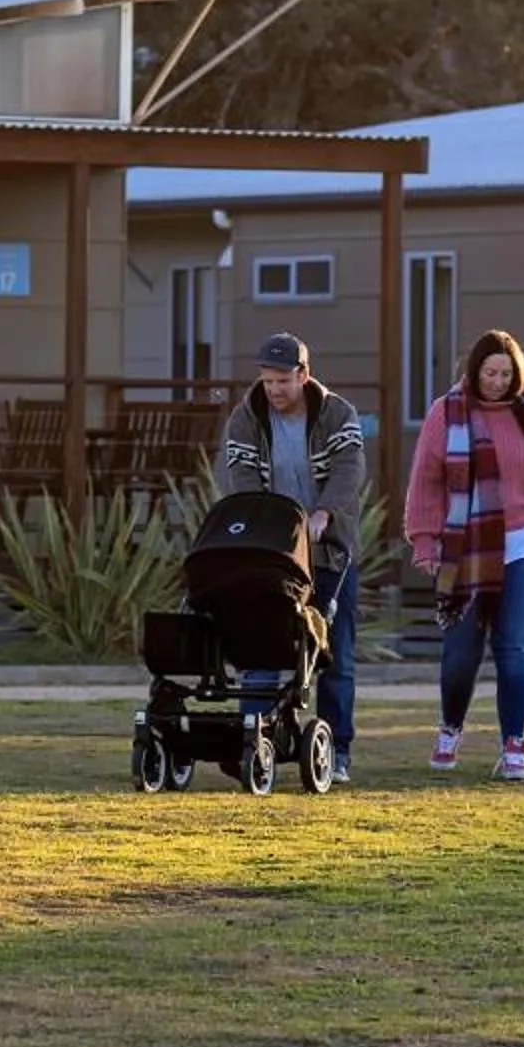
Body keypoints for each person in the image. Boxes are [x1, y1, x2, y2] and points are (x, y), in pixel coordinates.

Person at [402, 328, 524, 783]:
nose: (499, 381)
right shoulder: (447, 412)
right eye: (491, 372)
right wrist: (424, 540)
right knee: (462, 652)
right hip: (467, 543)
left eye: (507, 372)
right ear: (474, 371)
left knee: (514, 646)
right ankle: (450, 728)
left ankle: (514, 745)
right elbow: (425, 479)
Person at [216, 331, 367, 781]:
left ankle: (337, 750)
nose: (275, 390)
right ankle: (255, 738)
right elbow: (239, 476)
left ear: (304, 374)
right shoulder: (245, 420)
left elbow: (348, 470)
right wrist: (265, 524)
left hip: (329, 554)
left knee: (335, 654)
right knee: (263, 647)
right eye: (268, 381)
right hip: (274, 555)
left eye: (283, 380)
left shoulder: (338, 414)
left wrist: (323, 513)